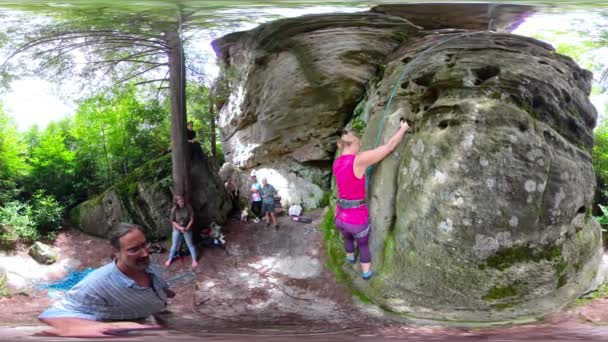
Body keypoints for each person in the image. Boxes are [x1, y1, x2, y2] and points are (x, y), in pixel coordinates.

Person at [38, 223, 175, 338]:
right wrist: (100, 327)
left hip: (157, 319)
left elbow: (159, 288)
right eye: (134, 250)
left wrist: (165, 292)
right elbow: (51, 314)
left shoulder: (147, 266)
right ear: (116, 251)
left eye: (145, 245)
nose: (145, 253)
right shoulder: (99, 283)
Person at [333, 120, 409, 280]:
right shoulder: (358, 160)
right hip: (356, 218)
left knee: (347, 237)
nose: (359, 147)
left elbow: (355, 161)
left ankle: (350, 257)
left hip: (340, 216)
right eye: (358, 144)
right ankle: (366, 273)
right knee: (363, 244)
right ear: (352, 143)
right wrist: (403, 129)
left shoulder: (337, 163)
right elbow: (388, 147)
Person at [165, 195, 198, 268]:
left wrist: (187, 228)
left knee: (190, 244)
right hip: (177, 228)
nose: (181, 201)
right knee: (174, 245)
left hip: (187, 227)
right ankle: (170, 259)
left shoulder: (188, 207)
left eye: (182, 200)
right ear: (176, 202)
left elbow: (192, 219)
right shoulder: (174, 209)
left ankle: (194, 260)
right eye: (179, 200)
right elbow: (172, 221)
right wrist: (180, 228)